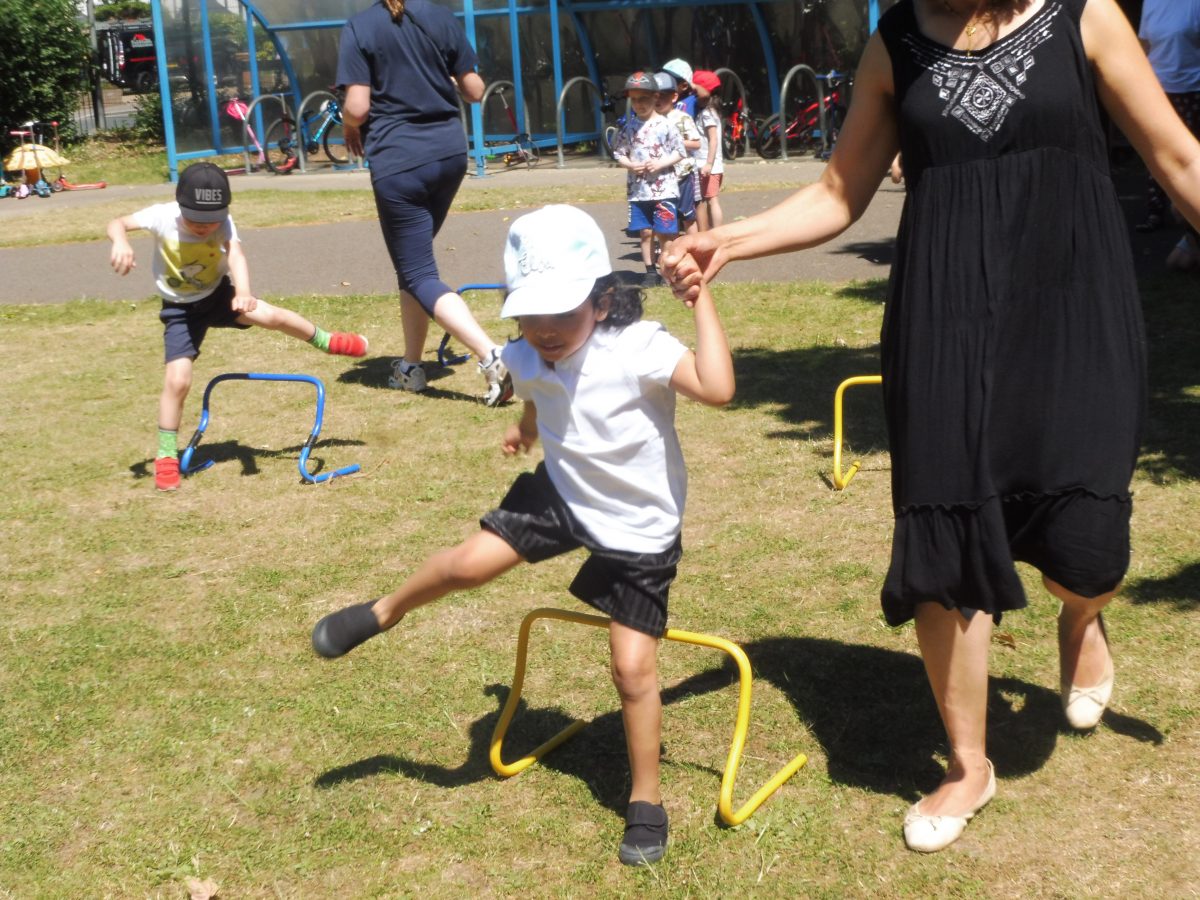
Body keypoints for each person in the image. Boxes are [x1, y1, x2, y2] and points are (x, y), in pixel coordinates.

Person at [662, 0, 1200, 853]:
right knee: (945, 525)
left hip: (1072, 306)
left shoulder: (1083, 18)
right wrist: (732, 240)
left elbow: (1176, 157)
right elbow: (840, 190)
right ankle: (968, 762)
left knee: (1090, 545)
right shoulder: (897, 42)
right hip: (943, 314)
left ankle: (1080, 617)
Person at [311, 204, 735, 866]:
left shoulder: (640, 346)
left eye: (560, 313)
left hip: (639, 527)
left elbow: (718, 387)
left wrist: (701, 299)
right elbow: (538, 387)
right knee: (469, 564)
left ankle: (646, 800)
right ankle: (383, 610)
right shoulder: (528, 353)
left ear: (601, 300)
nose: (543, 330)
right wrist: (531, 428)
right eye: (529, 315)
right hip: (564, 494)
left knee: (631, 668)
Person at [106, 163, 369, 493]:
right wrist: (121, 242)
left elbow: (236, 255)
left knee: (271, 316)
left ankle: (327, 341)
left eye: (212, 220)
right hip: (180, 312)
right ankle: (165, 458)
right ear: (180, 206)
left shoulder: (221, 221)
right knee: (177, 381)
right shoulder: (161, 215)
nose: (204, 228)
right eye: (196, 220)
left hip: (219, 297)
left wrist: (243, 292)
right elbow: (117, 223)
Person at [337, 0, 512, 405]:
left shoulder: (360, 27)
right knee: (412, 264)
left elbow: (358, 107)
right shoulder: (440, 16)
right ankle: (411, 367)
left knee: (417, 270)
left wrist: (348, 125)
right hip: (449, 154)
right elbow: (475, 90)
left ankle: (491, 357)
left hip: (399, 161)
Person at [1137, 0, 1200, 269]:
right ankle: (1156, 212)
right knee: (1155, 153)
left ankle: (1189, 216)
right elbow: (1144, 45)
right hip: (1159, 89)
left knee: (1187, 155)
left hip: (1192, 87)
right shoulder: (1151, 3)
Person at [610, 71, 686, 285]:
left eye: (643, 98)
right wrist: (630, 165)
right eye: (634, 99)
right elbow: (619, 152)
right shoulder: (629, 127)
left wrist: (660, 163)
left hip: (664, 189)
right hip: (639, 191)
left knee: (665, 233)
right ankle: (650, 272)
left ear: (655, 97)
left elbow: (680, 151)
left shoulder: (666, 125)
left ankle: (667, 270)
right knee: (645, 233)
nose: (638, 104)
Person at [655, 71, 702, 235]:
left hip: (682, 174)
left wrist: (677, 142)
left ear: (674, 97)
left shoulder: (682, 118)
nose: (658, 100)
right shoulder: (650, 120)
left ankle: (694, 248)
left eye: (663, 96)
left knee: (688, 216)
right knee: (666, 216)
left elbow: (697, 143)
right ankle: (670, 247)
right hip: (660, 177)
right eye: (654, 96)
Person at [691, 70, 726, 230]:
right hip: (711, 164)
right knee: (708, 198)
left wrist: (709, 164)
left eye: (695, 90)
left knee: (711, 199)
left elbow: (713, 140)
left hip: (708, 164)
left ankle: (716, 232)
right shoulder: (711, 111)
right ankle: (712, 230)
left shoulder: (707, 113)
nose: (693, 94)